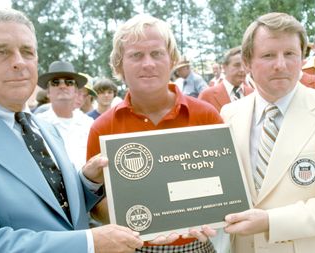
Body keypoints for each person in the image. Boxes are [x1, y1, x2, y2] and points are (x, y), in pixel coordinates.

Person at [0, 9, 143, 253]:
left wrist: (87, 183)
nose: (19, 61)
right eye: (1, 52)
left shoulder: (44, 128)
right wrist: (89, 243)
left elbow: (56, 208)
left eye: (27, 51)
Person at [219, 12, 315, 253]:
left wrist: (271, 222)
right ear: (246, 62)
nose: (281, 64)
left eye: (290, 54)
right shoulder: (229, 114)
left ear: (302, 58)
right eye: (268, 55)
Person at [85, 14, 221, 252]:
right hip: (132, 246)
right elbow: (95, 202)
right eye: (136, 55)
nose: (148, 63)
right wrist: (137, 223)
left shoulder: (206, 116)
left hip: (195, 244)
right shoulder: (102, 127)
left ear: (172, 60)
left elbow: (226, 185)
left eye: (157, 53)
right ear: (119, 65)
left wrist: (208, 213)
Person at [37, 61, 94, 171]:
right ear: (48, 92)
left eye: (69, 82)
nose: (62, 86)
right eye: (55, 82)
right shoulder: (36, 125)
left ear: (76, 91)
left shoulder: (89, 124)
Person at [199, 47, 254, 112]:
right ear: (224, 67)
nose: (242, 69)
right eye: (237, 65)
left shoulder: (253, 94)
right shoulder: (207, 96)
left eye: (245, 65)